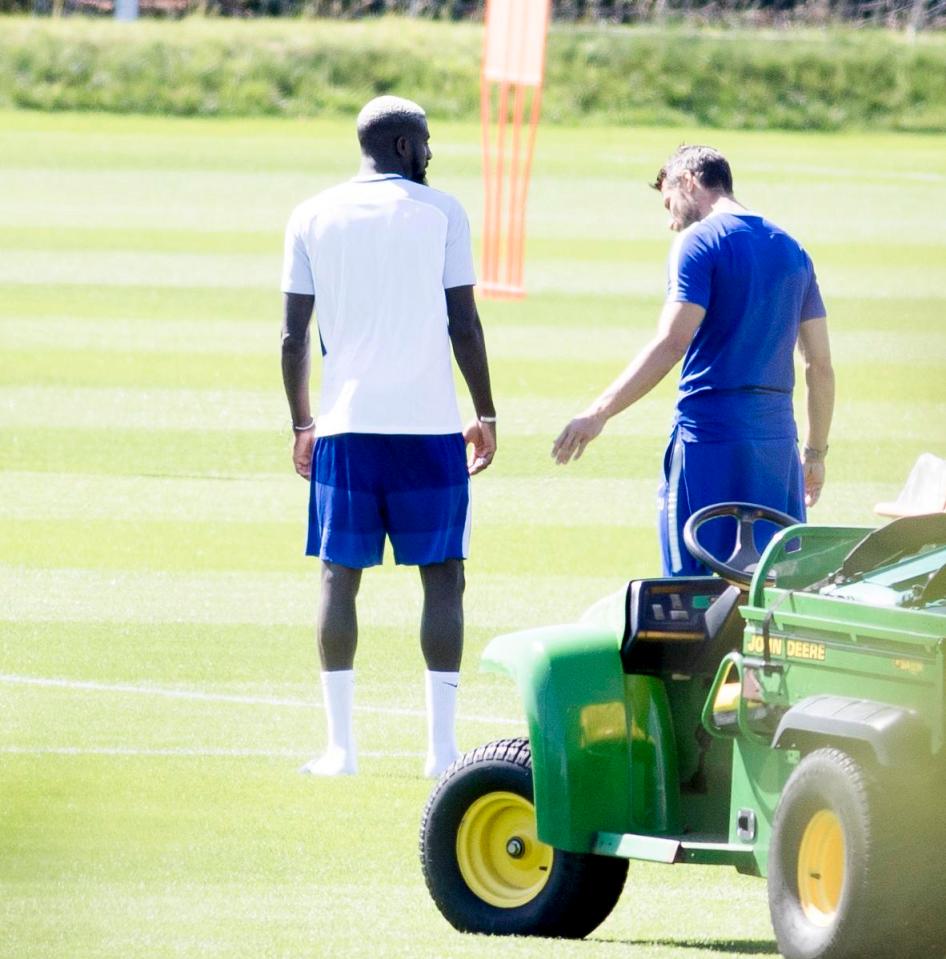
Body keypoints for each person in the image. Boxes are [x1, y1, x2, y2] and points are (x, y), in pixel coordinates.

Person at [280, 95, 497, 777]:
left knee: (338, 579)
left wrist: (301, 423)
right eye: (427, 140)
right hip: (430, 428)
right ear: (405, 145)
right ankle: (440, 751)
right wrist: (485, 412)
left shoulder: (311, 214)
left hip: (346, 428)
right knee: (444, 580)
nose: (431, 152)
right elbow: (465, 324)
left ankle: (341, 750)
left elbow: (292, 337)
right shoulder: (443, 213)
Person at [552, 144, 834, 576]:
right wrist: (815, 452)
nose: (670, 220)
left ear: (688, 181)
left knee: (694, 588)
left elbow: (672, 342)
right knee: (773, 585)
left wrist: (598, 412)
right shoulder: (793, 249)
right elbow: (819, 365)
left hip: (709, 438)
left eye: (669, 203)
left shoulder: (698, 242)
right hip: (777, 444)